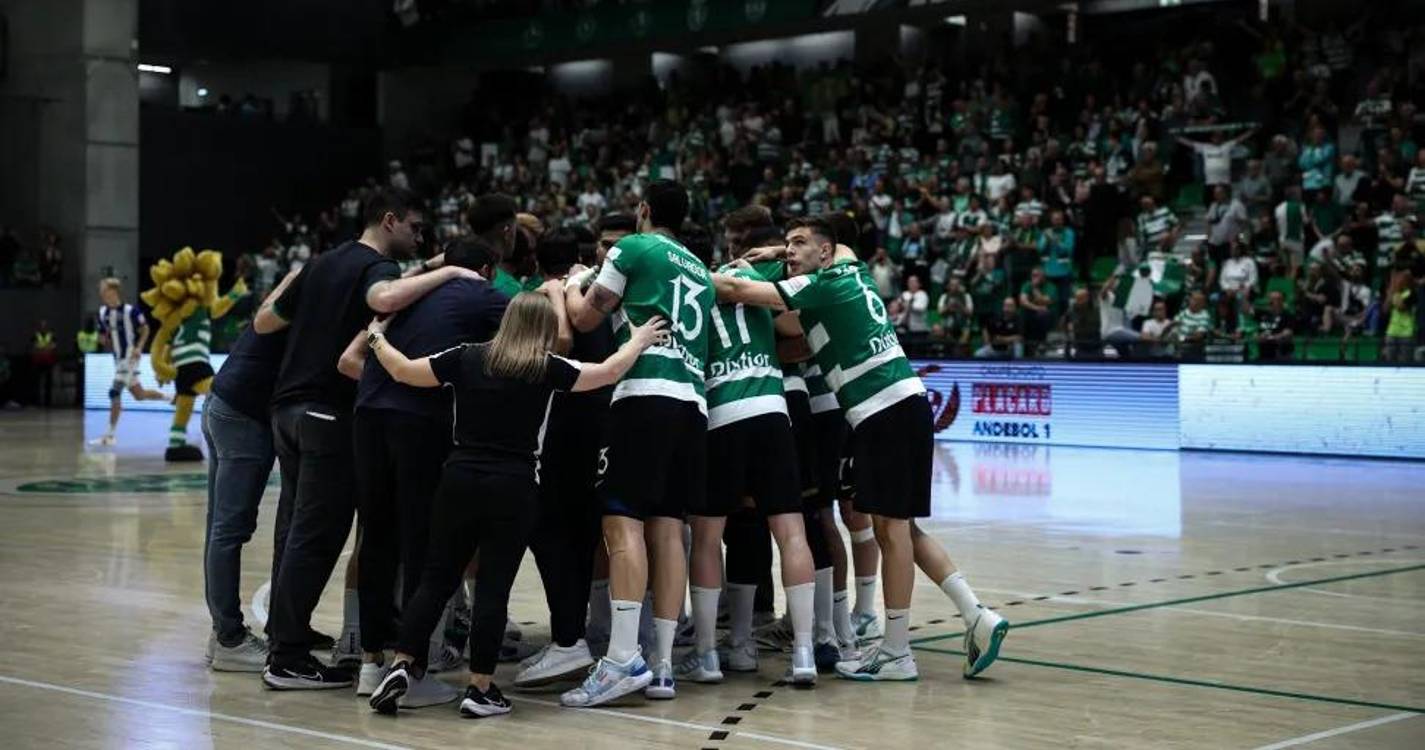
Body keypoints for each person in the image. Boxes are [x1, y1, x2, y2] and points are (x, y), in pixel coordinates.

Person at [715, 216, 1008, 682]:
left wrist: (682, 272)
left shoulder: (823, 285)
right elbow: (839, 255)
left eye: (799, 244)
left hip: (882, 412)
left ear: (825, 253)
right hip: (903, 406)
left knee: (890, 533)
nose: (790, 251)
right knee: (904, 532)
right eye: (786, 243)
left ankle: (896, 652)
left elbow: (735, 291)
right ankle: (975, 613)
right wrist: (778, 254)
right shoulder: (851, 270)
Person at [365, 293, 670, 718]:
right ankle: (481, 688)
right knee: (494, 586)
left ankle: (401, 665)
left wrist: (376, 338)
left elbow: (402, 371)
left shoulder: (467, 356)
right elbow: (608, 372)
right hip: (515, 484)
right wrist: (638, 339)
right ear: (544, 329)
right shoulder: (547, 367)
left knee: (435, 579)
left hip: (459, 478)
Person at [253, 188, 480, 690]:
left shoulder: (320, 263)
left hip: (287, 410)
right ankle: (287, 657)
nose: (419, 236)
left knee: (295, 530)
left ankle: (284, 639)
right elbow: (382, 299)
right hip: (328, 411)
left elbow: (265, 319)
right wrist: (445, 272)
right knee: (319, 534)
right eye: (415, 227)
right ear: (390, 220)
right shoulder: (375, 268)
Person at [560, 180, 711, 706]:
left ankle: (622, 659)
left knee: (621, 525)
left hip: (644, 394)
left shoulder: (634, 247)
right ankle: (663, 665)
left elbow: (583, 317)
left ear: (644, 210)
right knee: (669, 529)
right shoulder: (699, 270)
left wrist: (573, 283)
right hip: (692, 403)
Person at [344, 237, 510, 704]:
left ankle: (370, 661)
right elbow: (535, 335)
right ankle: (411, 665)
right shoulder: (482, 292)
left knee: (376, 537)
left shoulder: (412, 289)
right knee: (422, 540)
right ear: (487, 268)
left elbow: (351, 357)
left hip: (368, 412)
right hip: (419, 419)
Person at [675, 227, 819, 689]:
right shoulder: (755, 280)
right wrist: (777, 252)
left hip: (721, 413)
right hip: (773, 412)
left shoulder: (687, 289)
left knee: (707, 537)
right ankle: (803, 654)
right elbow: (806, 302)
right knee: (790, 532)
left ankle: (708, 655)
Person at [201, 269, 298, 672]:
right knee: (229, 529)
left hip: (221, 404)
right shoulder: (304, 309)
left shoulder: (282, 301)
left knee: (219, 528)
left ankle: (222, 632)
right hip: (243, 416)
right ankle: (229, 637)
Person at [92, 278, 167, 446]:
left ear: (114, 291)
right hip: (118, 359)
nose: (102, 294)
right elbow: (104, 335)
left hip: (130, 358)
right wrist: (103, 339)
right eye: (101, 291)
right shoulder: (103, 312)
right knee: (139, 395)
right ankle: (169, 398)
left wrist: (139, 347)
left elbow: (145, 329)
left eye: (105, 290)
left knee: (114, 392)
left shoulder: (130, 310)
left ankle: (110, 436)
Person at [1255, 290, 1296, 360]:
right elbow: (1257, 333)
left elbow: (1287, 334)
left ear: (1282, 301)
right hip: (1264, 353)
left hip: (1281, 354)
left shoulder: (1288, 316)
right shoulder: (1264, 315)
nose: (1273, 301)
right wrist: (1258, 336)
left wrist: (1270, 338)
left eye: (1276, 299)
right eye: (1271, 299)